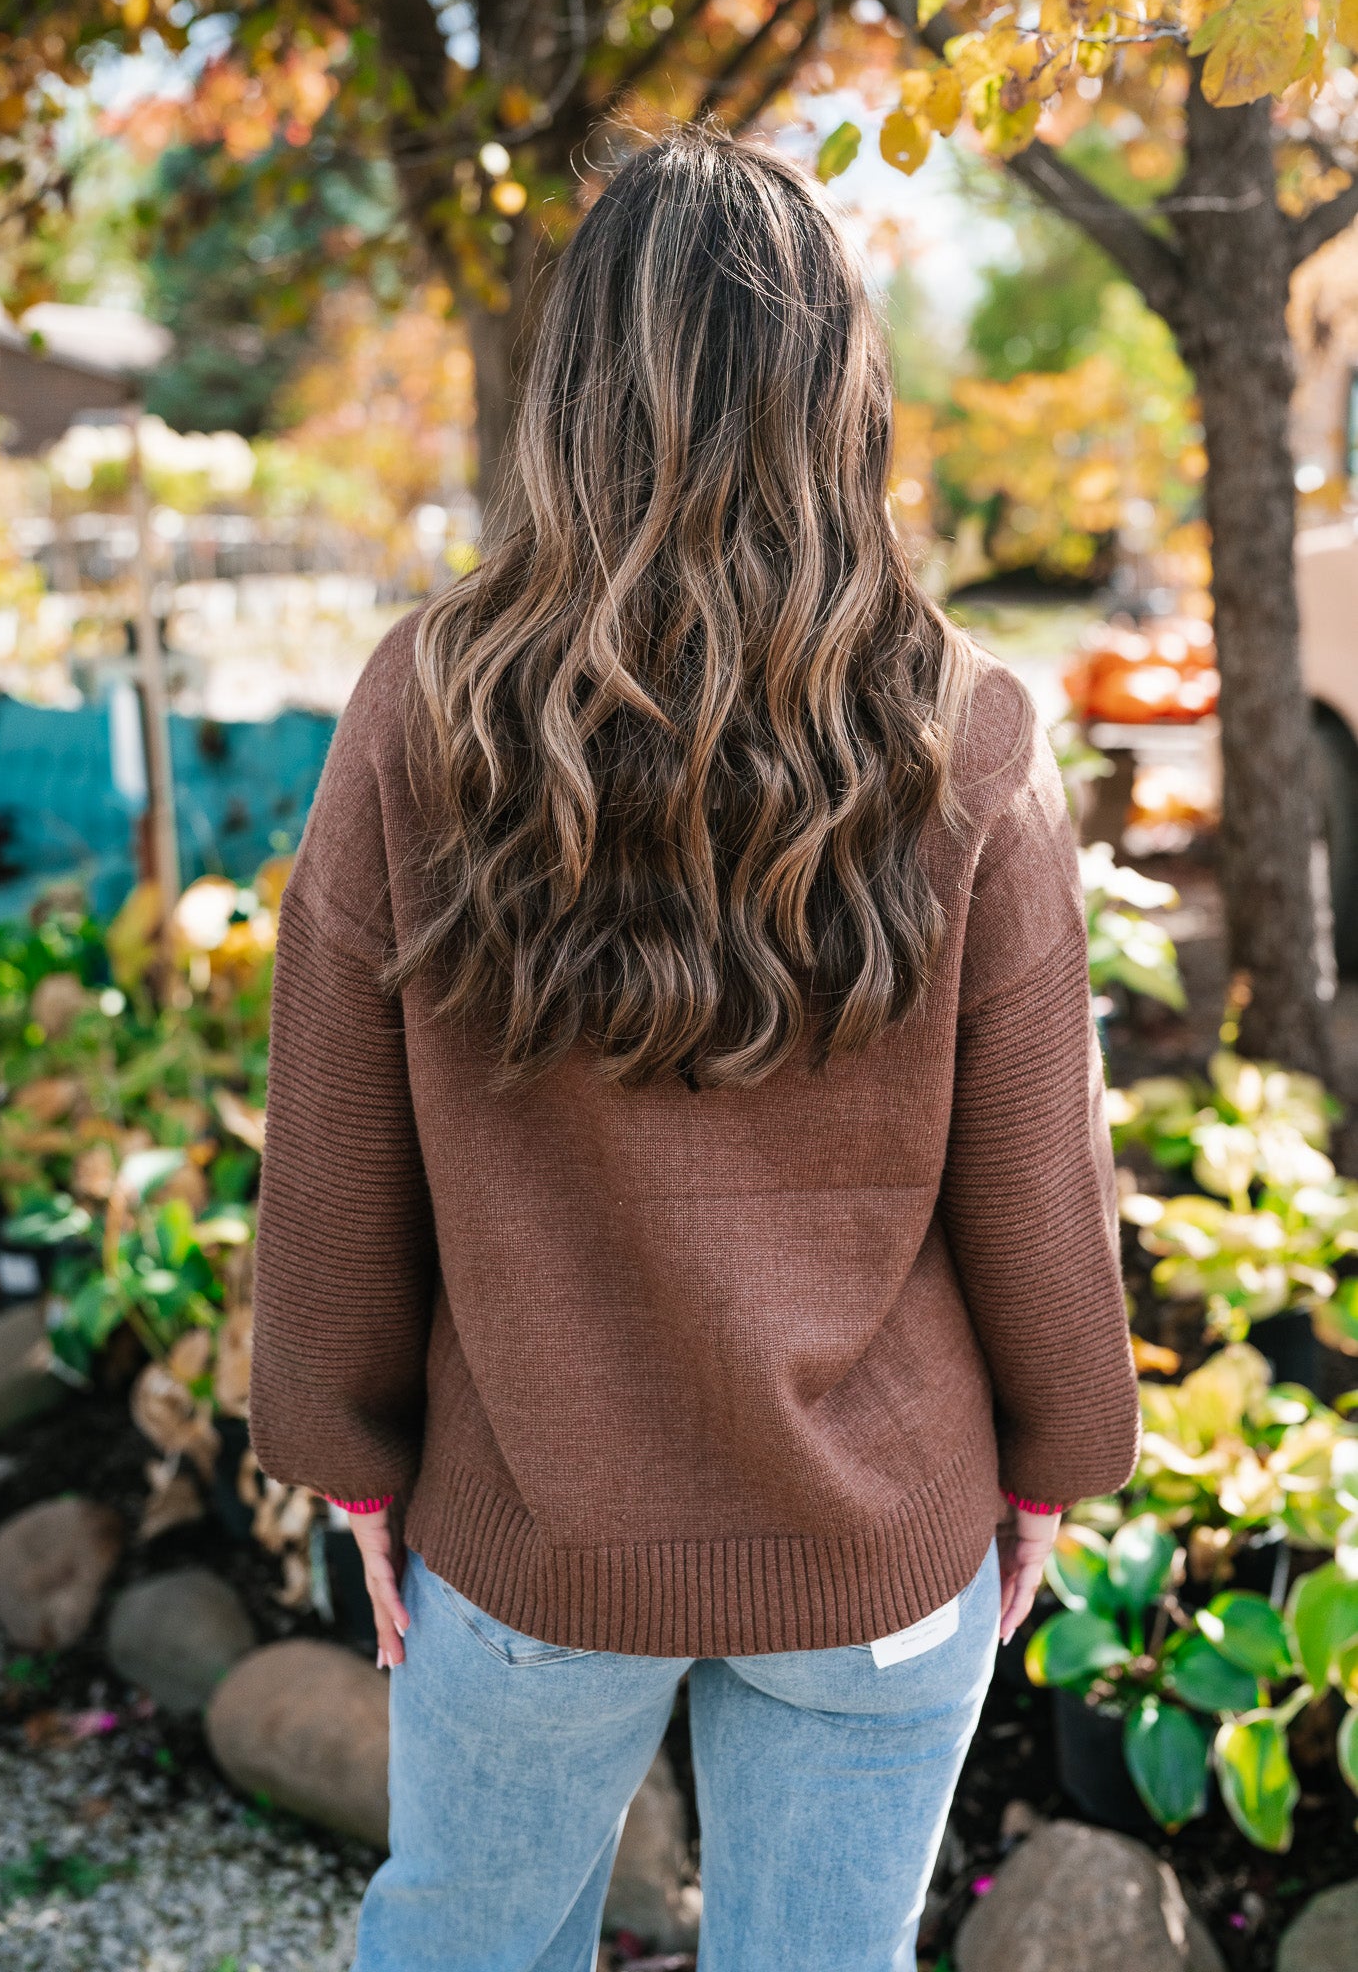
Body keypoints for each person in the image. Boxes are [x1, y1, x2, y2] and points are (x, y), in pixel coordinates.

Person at [249, 124, 1140, 1972]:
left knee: (465, 1946)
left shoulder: (426, 707)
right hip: (877, 1541)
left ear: (569, 390)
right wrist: (1050, 1467)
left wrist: (347, 1458)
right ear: (842, 398)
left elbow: (334, 1141)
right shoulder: (965, 732)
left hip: (533, 1535)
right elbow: (1041, 1176)